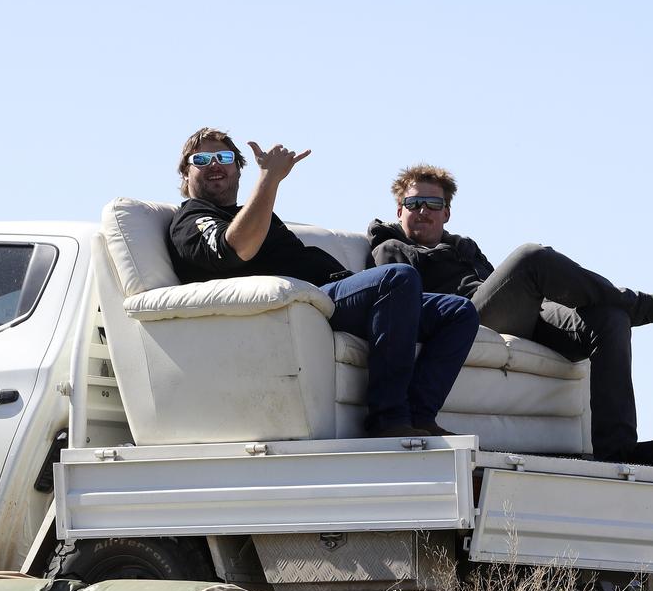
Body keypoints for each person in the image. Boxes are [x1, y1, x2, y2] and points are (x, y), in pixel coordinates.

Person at [168, 127, 480, 438]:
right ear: (185, 173)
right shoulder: (192, 216)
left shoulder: (248, 214)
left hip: (329, 293)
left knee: (459, 311)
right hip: (308, 303)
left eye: (224, 157)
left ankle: (420, 415)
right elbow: (239, 248)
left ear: (237, 170)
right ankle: (388, 419)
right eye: (202, 158)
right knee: (398, 278)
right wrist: (270, 178)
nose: (214, 164)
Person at [368, 163, 653, 465]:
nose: (423, 211)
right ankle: (640, 304)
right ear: (400, 210)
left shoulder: (464, 247)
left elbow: (494, 284)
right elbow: (402, 307)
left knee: (610, 318)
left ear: (446, 213)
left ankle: (617, 448)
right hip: (463, 319)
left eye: (433, 204)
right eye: (414, 202)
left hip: (513, 314)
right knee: (532, 257)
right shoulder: (391, 248)